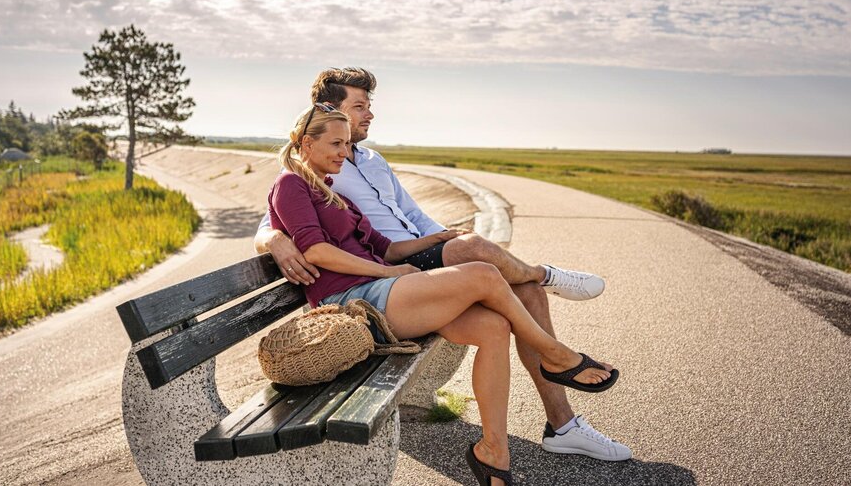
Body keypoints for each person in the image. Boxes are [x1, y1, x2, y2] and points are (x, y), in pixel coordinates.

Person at [256, 67, 632, 462]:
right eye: (357, 110)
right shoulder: (293, 180)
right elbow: (295, 237)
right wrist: (278, 241)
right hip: (362, 296)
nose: (346, 148)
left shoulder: (340, 185)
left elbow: (393, 235)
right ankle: (556, 349)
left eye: (347, 142)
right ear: (316, 127)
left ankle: (503, 448)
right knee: (484, 271)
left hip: (394, 280)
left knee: (499, 322)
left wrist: (437, 238)